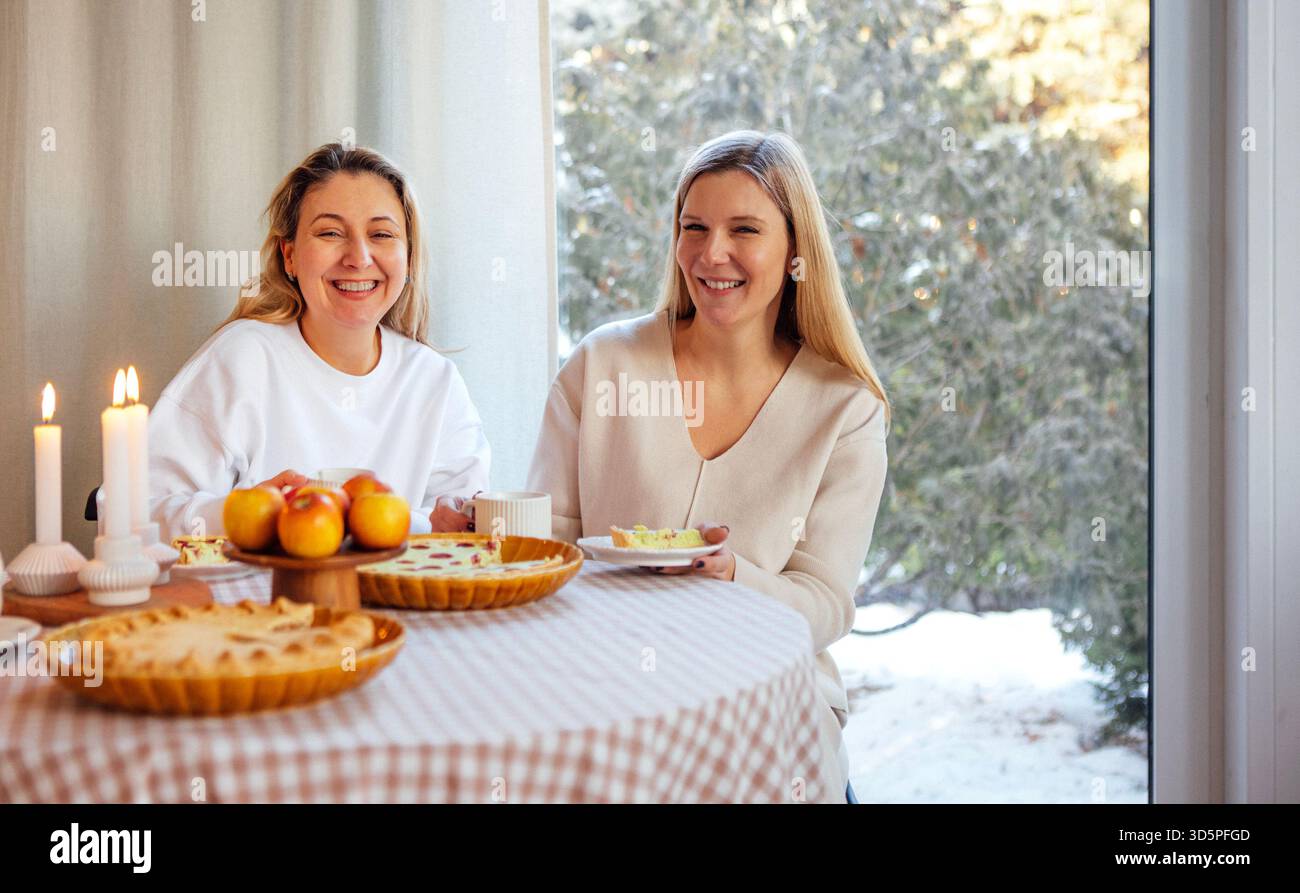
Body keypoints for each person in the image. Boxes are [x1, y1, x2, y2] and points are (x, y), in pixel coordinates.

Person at [527, 131, 891, 803]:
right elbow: (546, 546)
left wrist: (732, 577)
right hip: (608, 696)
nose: (710, 252)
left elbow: (827, 602)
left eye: (743, 229)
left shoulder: (845, 408)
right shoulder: (602, 365)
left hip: (769, 714)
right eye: (693, 227)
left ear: (795, 252)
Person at [148, 142, 483, 541]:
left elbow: (463, 534)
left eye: (381, 234)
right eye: (330, 232)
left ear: (408, 258)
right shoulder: (242, 359)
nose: (358, 257)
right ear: (289, 256)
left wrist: (456, 520)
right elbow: (138, 511)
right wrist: (251, 513)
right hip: (261, 602)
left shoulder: (435, 381)